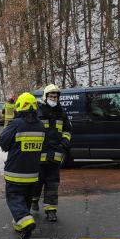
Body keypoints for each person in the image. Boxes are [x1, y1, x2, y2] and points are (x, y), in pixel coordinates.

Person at [0, 92, 45, 239]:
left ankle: (27, 220)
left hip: (15, 173)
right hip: (33, 174)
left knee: (14, 199)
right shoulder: (40, 126)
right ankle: (21, 226)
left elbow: (4, 143)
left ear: (19, 106)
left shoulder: (16, 124)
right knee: (25, 201)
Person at [31, 84, 72, 222]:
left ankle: (51, 210)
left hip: (55, 154)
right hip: (38, 155)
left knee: (53, 183)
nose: (53, 98)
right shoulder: (37, 110)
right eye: (51, 96)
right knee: (37, 182)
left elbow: (67, 130)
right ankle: (33, 201)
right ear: (45, 96)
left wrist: (64, 143)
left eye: (56, 96)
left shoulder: (61, 112)